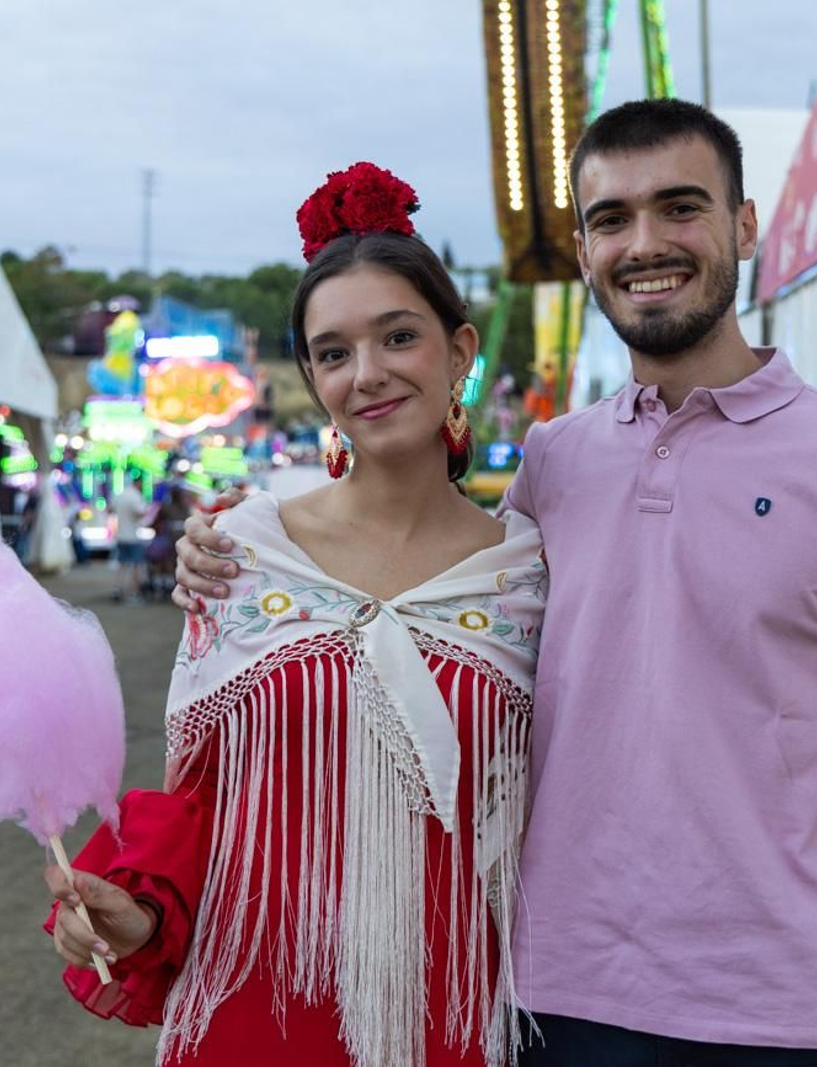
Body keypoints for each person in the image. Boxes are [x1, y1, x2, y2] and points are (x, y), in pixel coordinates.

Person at [176, 100, 817, 1066]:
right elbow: (428, 644)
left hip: (789, 1016)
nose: (645, 244)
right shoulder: (554, 465)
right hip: (557, 1004)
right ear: (585, 250)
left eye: (680, 207)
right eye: (612, 219)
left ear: (744, 225)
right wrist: (241, 550)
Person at [44, 162, 548, 1067]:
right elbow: (200, 796)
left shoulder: (532, 575)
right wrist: (139, 908)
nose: (369, 374)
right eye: (333, 352)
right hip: (256, 1016)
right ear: (312, 377)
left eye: (399, 336)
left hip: (458, 1018)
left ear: (461, 351)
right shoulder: (242, 553)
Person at [111, 472, 148, 602]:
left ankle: (117, 588)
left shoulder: (121, 495)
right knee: (137, 565)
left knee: (121, 564)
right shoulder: (136, 496)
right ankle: (135, 592)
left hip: (121, 535)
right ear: (139, 483)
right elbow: (141, 512)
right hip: (133, 536)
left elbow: (111, 509)